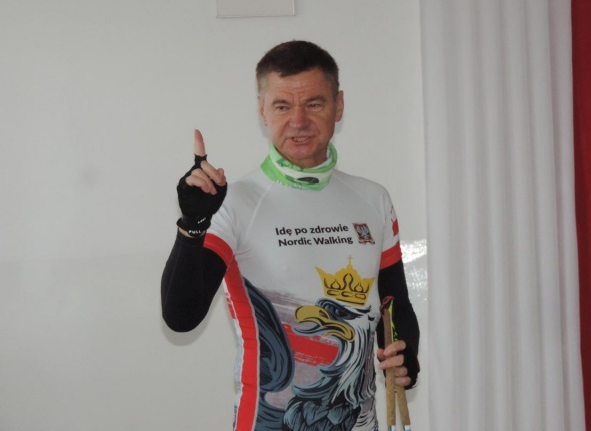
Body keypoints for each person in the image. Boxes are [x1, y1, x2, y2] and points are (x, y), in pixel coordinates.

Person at [161, 40, 420, 431]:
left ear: (339, 105)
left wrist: (405, 356)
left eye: (314, 104)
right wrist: (192, 225)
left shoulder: (373, 199)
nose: (298, 121)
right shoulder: (235, 203)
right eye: (282, 106)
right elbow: (181, 317)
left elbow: (393, 302)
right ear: (262, 111)